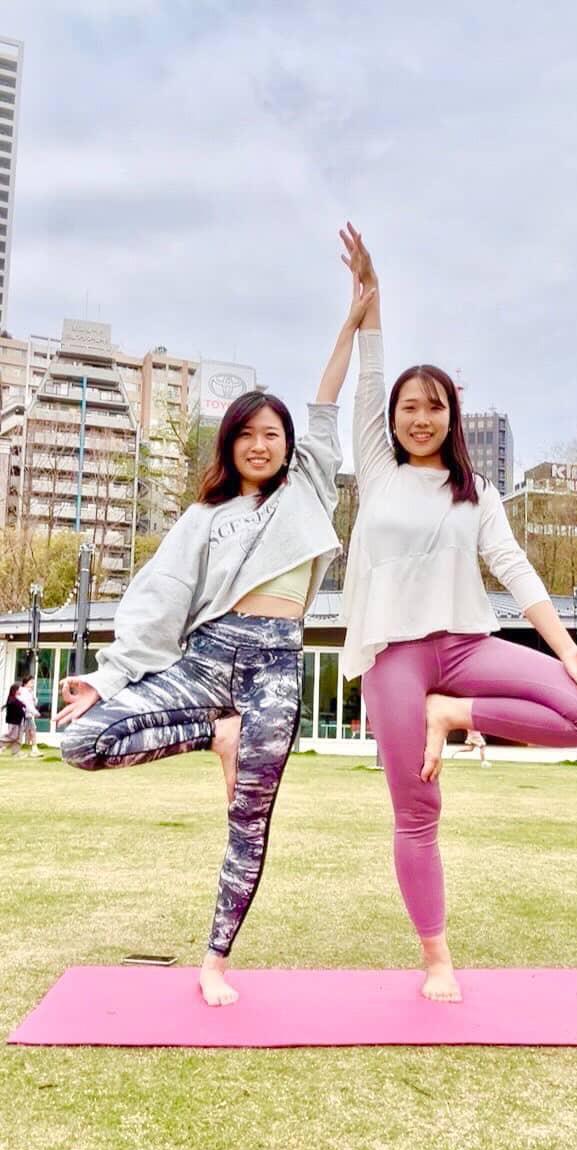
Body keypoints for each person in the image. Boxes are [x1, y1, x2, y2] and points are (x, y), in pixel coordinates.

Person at [57, 270, 377, 1007]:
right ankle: (214, 734)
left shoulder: (309, 489)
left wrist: (355, 319)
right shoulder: (204, 517)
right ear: (228, 445)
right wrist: (107, 678)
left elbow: (327, 403)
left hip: (276, 669)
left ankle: (214, 961)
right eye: (246, 435)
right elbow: (159, 597)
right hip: (206, 661)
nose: (259, 445)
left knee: (250, 818)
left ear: (288, 445)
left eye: (271, 434)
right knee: (81, 741)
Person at [339, 222, 577, 1004]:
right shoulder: (376, 469)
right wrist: (370, 296)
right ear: (392, 417)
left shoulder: (477, 491)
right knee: (416, 810)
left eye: (433, 408)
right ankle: (436, 959)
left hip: (464, 648)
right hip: (394, 657)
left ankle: (452, 714)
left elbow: (514, 567)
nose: (418, 418)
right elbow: (368, 373)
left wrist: (564, 651)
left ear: (451, 416)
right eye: (408, 407)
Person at [16, 676, 43, 758]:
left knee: (33, 731)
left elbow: (32, 703)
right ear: (25, 683)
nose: (33, 684)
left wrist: (34, 699)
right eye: (31, 682)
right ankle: (13, 750)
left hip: (28, 716)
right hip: (22, 715)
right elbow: (27, 704)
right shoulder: (24, 691)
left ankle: (34, 750)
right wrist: (35, 712)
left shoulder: (29, 692)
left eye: (33, 682)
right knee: (18, 734)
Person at [0, 684, 25, 758]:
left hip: (20, 720)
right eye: (19, 689)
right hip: (14, 721)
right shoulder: (12, 699)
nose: (21, 691)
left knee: (18, 737)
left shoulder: (16, 698)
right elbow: (14, 707)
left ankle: (16, 752)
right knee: (12, 736)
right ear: (15, 690)